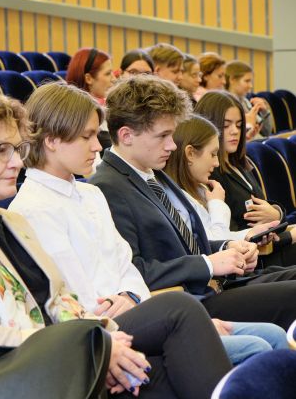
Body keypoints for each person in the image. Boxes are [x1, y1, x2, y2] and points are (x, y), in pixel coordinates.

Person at [0, 90, 233, 399]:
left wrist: (110, 343)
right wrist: (93, 346)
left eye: (17, 149)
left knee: (184, 371)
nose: (16, 162)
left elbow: (61, 301)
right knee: (187, 354)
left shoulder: (11, 222)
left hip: (63, 375)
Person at [10, 81, 287, 363]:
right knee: (257, 341)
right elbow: (80, 295)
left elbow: (125, 265)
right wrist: (201, 273)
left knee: (272, 335)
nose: (97, 145)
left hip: (150, 304)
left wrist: (132, 294)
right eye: (87, 136)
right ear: (52, 141)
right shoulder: (43, 206)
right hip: (120, 322)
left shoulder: (93, 192)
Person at [89, 75, 296, 330]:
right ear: (126, 135)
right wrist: (209, 263)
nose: (172, 145)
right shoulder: (107, 186)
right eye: (163, 136)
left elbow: (185, 242)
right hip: (188, 301)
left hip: (213, 284)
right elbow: (135, 269)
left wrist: (229, 246)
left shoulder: (152, 172)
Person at [195, 90, 296, 267]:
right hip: (257, 259)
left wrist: (276, 212)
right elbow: (230, 234)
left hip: (270, 245)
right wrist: (289, 236)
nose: (234, 131)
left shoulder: (240, 164)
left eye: (239, 125)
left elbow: (262, 203)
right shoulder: (211, 174)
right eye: (226, 126)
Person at [165, 114, 284, 243]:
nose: (216, 163)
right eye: (212, 154)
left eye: (239, 125)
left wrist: (249, 234)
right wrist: (217, 204)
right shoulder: (173, 198)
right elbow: (216, 246)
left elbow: (221, 237)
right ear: (190, 153)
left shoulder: (199, 188)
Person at [225, 60, 272, 139]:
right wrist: (248, 124)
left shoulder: (245, 101)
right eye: (247, 81)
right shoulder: (226, 103)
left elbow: (266, 132)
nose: (250, 86)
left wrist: (264, 111)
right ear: (232, 80)